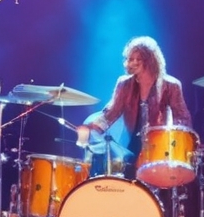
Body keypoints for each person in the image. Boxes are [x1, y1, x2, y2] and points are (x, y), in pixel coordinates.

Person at [75, 35, 190, 177]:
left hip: (160, 146)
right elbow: (111, 112)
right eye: (130, 58)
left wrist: (177, 143)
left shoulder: (171, 85)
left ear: (151, 60)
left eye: (138, 59)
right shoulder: (124, 84)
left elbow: (182, 118)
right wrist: (92, 127)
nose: (133, 62)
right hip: (132, 147)